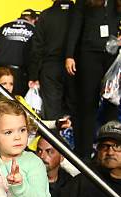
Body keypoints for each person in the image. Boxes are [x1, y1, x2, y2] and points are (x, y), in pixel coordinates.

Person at [65, 0, 121, 159]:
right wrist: (69, 55)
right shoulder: (84, 2)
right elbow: (74, 28)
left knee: (112, 103)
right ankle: (84, 152)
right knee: (87, 105)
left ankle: (110, 149)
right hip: (89, 56)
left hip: (112, 57)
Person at [28, 0, 76, 121]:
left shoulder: (45, 15)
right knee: (76, 113)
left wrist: (33, 75)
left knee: (52, 115)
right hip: (76, 67)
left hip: (50, 69)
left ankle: (53, 138)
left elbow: (36, 48)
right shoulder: (80, 14)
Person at [0, 10, 37, 97]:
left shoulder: (3, 27)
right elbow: (36, 57)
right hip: (21, 75)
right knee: (16, 106)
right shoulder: (34, 30)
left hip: (0, 73)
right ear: (34, 20)